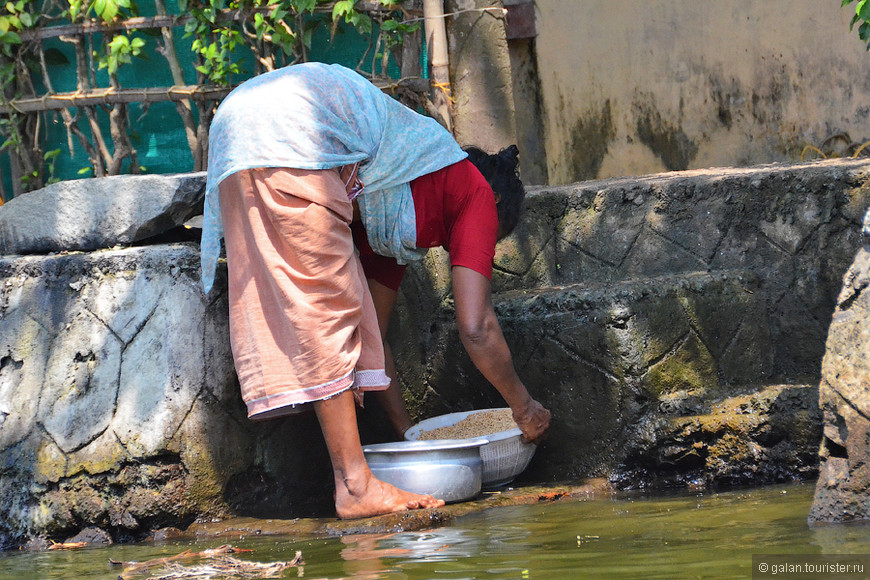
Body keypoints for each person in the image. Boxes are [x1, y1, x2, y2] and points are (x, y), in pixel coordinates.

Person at [200, 62, 551, 519]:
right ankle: (355, 486)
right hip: (293, 130)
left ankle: (357, 479)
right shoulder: (475, 192)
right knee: (327, 312)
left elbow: (375, 338)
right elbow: (476, 326)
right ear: (497, 203)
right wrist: (524, 409)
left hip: (238, 129)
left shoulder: (388, 213)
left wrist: (410, 435)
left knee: (331, 312)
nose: (468, 247)